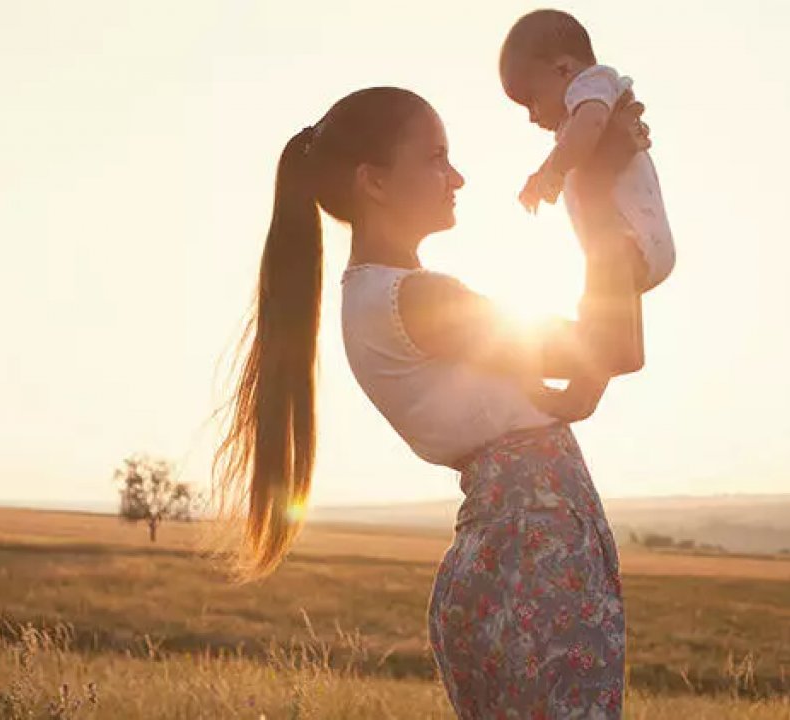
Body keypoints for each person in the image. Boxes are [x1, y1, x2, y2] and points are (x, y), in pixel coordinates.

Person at [212, 86, 651, 718]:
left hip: (507, 551)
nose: (458, 177)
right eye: (437, 158)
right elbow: (609, 346)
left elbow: (599, 364)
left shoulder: (370, 303)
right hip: (537, 556)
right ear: (376, 183)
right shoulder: (417, 302)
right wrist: (603, 191)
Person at [503, 9, 676, 302]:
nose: (532, 116)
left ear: (563, 69)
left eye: (532, 100)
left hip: (632, 238)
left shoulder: (593, 84)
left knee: (604, 311)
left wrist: (554, 173)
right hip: (626, 247)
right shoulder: (577, 124)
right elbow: (572, 144)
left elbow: (591, 123)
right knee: (608, 316)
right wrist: (542, 176)